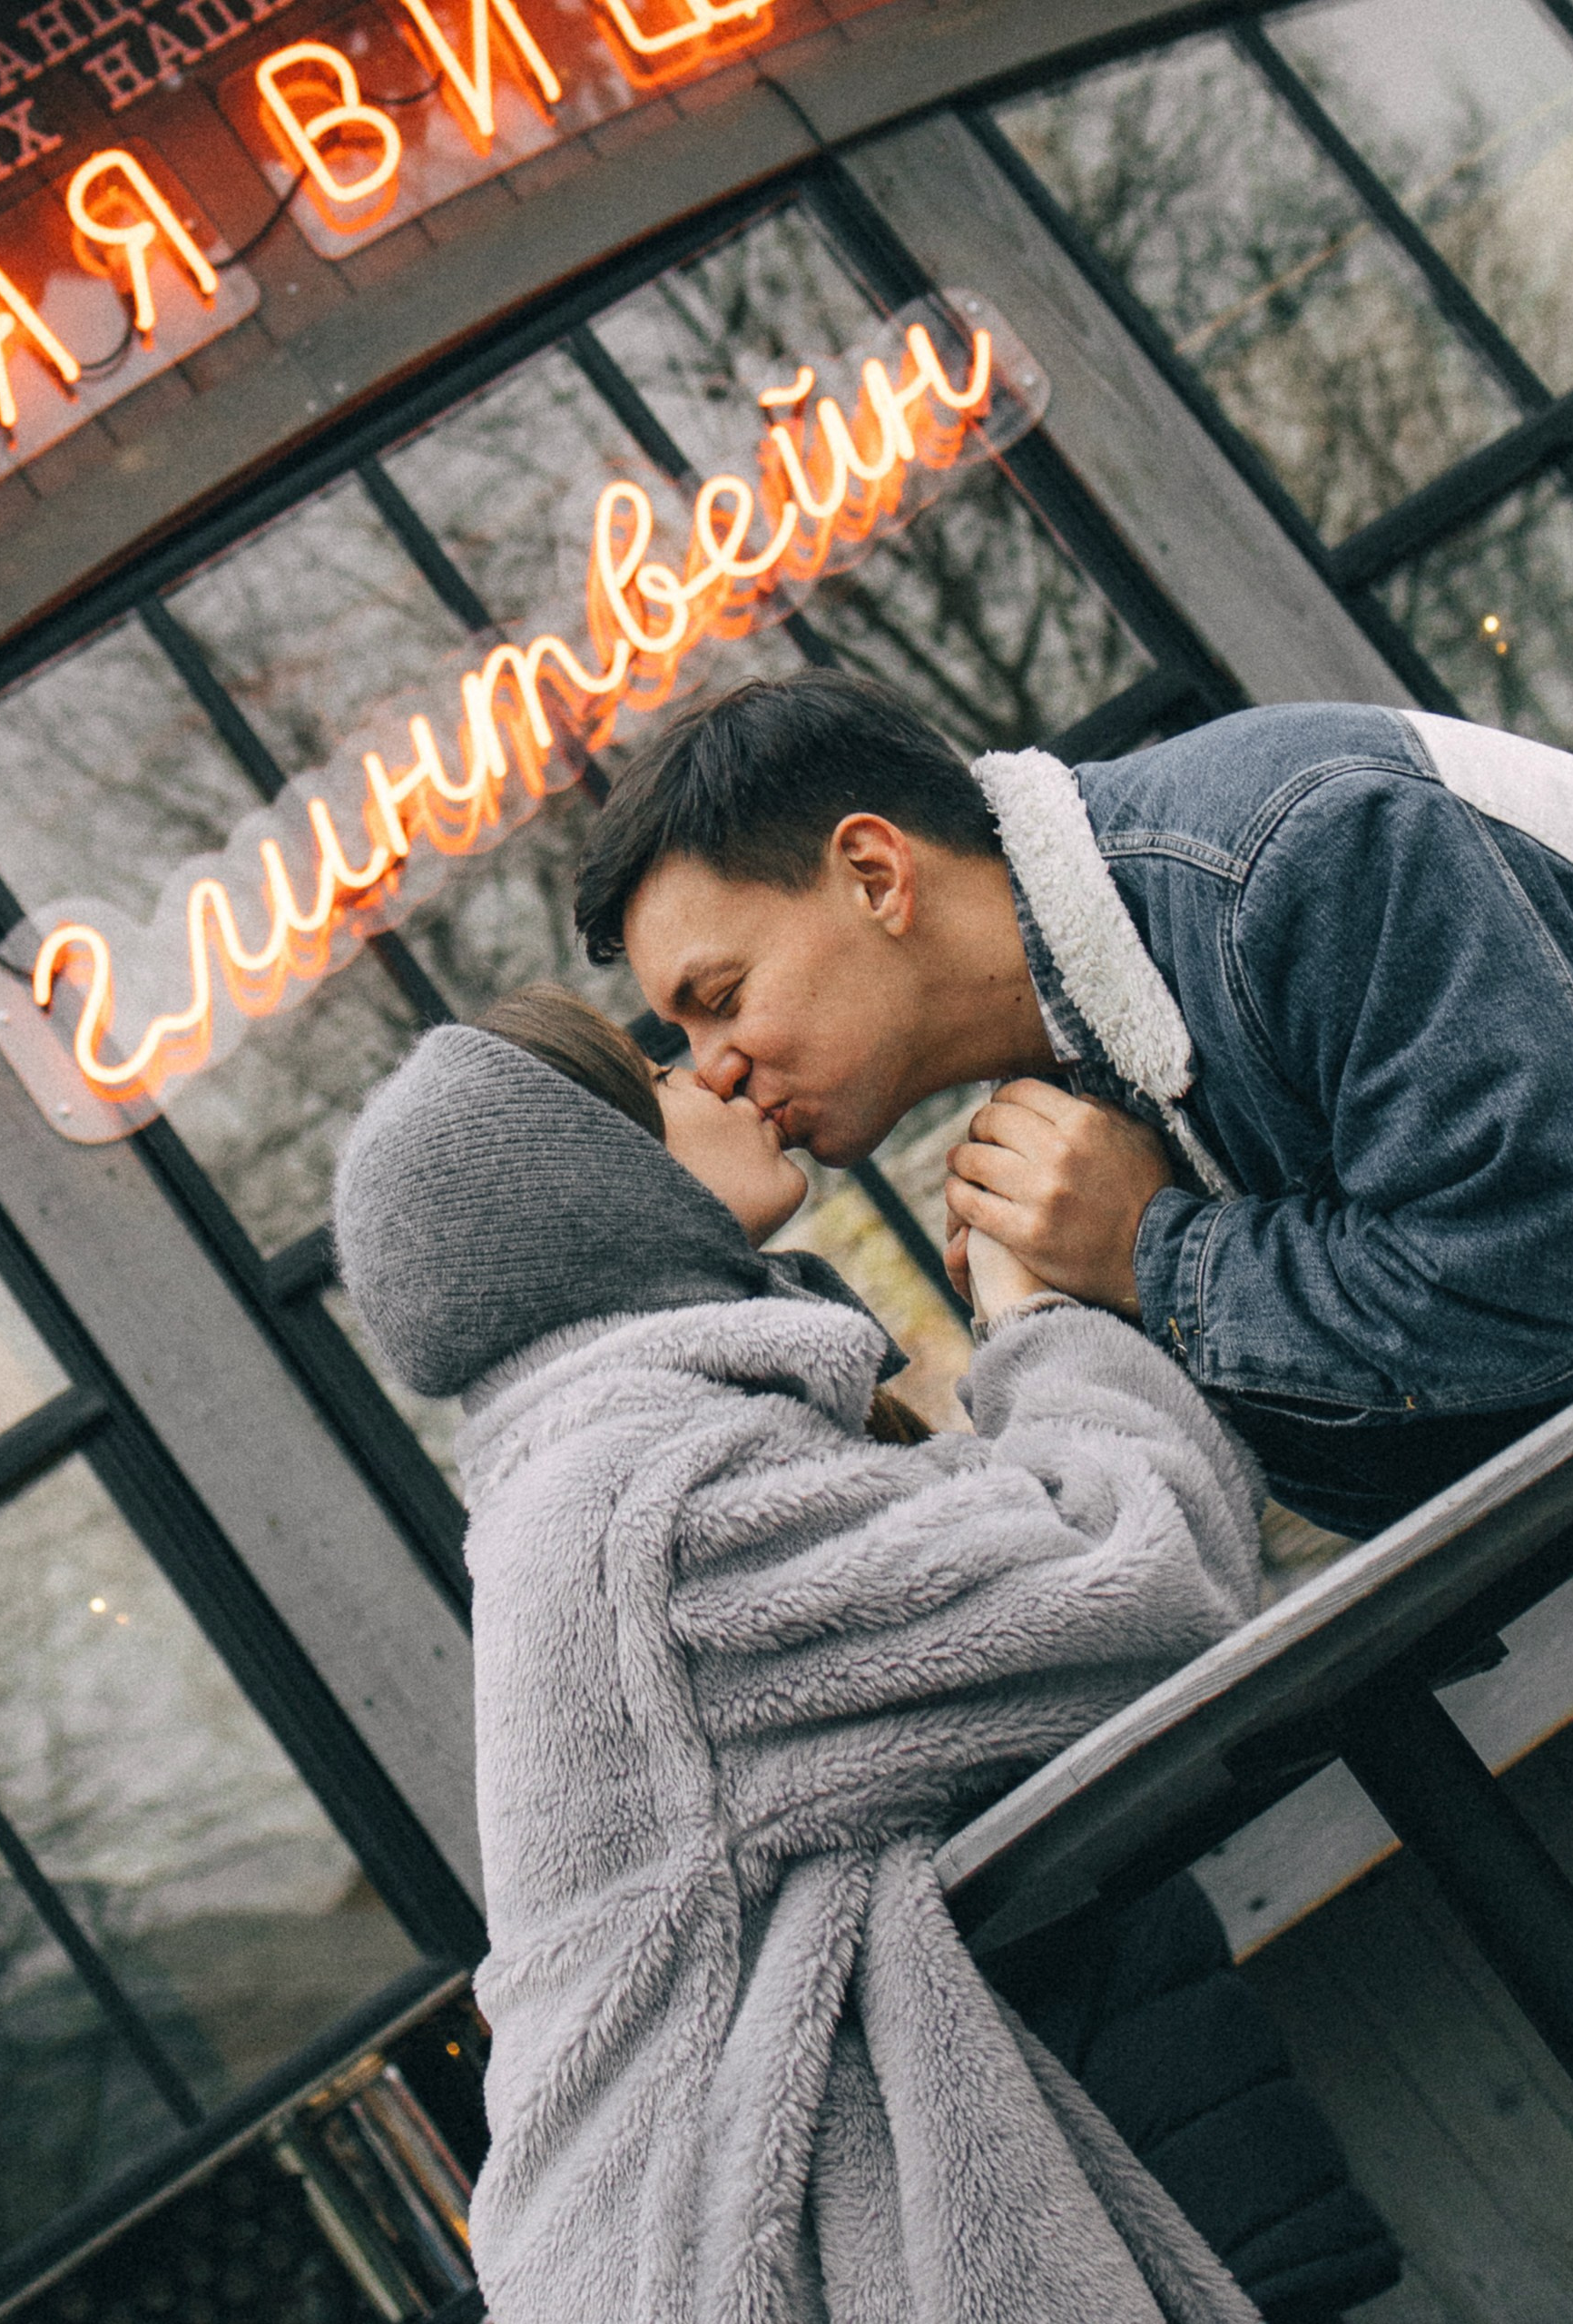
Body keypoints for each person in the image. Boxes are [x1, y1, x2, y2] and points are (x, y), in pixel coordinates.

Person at [333, 990, 1389, 2323]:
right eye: (651, 1076)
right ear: (582, 1181)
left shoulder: (606, 1470)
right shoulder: (654, 1497)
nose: (710, 1072)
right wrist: (1037, 1319)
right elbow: (1145, 1584)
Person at [573, 676, 1573, 1536]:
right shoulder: (1079, 1073)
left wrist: (1154, 1255)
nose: (712, 1069)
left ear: (872, 873)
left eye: (721, 999)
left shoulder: (1296, 853)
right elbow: (1411, 1465)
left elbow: (1570, 1289)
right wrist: (1071, 1321)